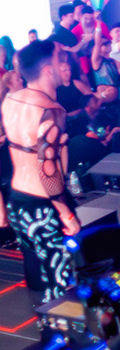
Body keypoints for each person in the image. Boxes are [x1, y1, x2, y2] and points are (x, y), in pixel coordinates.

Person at [0, 40, 81, 305]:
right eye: (61, 60)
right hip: (44, 207)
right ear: (48, 69)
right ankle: (66, 339)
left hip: (17, 201)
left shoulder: (10, 100)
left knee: (43, 279)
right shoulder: (50, 110)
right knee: (59, 284)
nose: (66, 64)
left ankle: (54, 335)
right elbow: (47, 170)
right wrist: (66, 213)